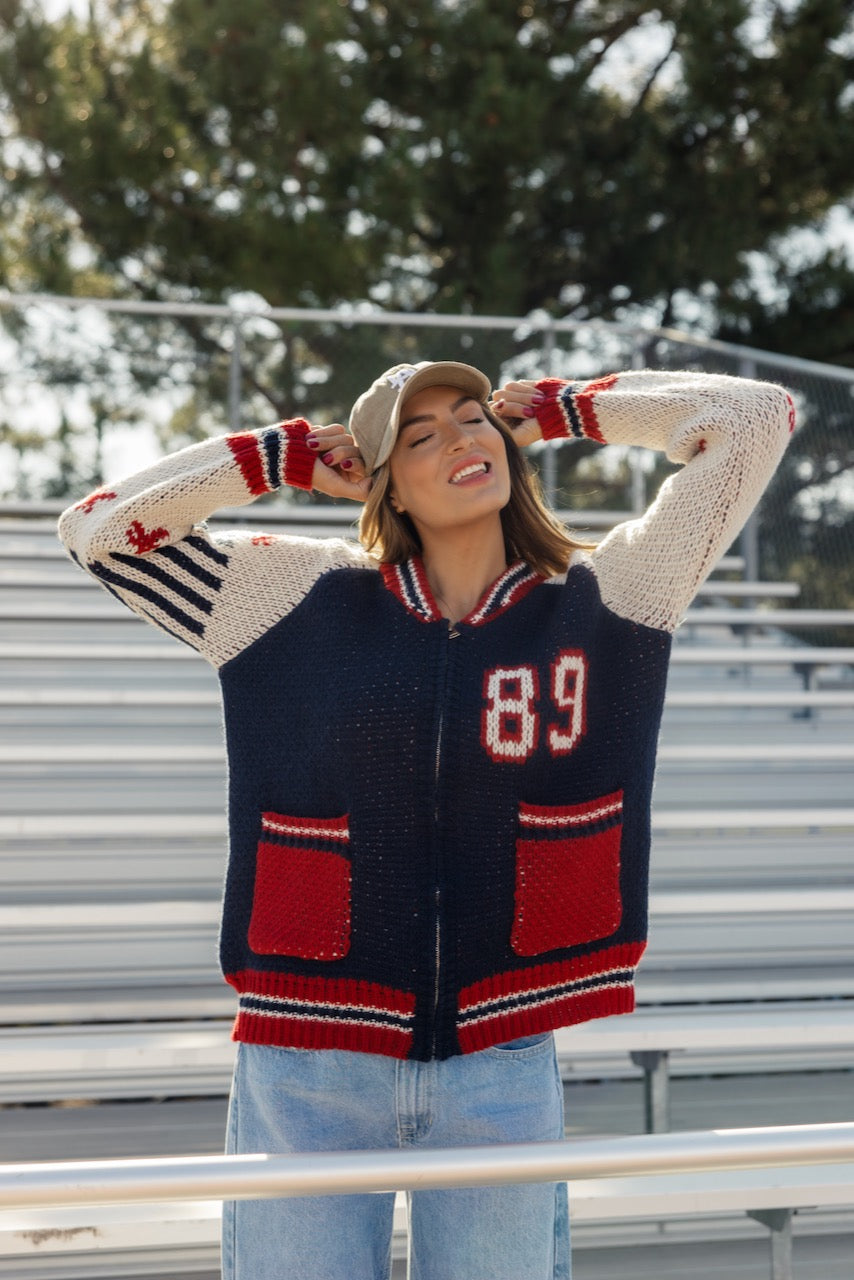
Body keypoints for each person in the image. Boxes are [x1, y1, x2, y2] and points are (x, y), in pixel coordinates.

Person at [58, 359, 793, 1280]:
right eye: (421, 436)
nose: (462, 439)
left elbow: (757, 419)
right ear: (385, 485)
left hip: (502, 1051)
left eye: (476, 418)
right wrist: (276, 458)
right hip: (308, 1057)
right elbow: (96, 533)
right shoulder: (290, 597)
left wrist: (566, 409)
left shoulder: (615, 595)